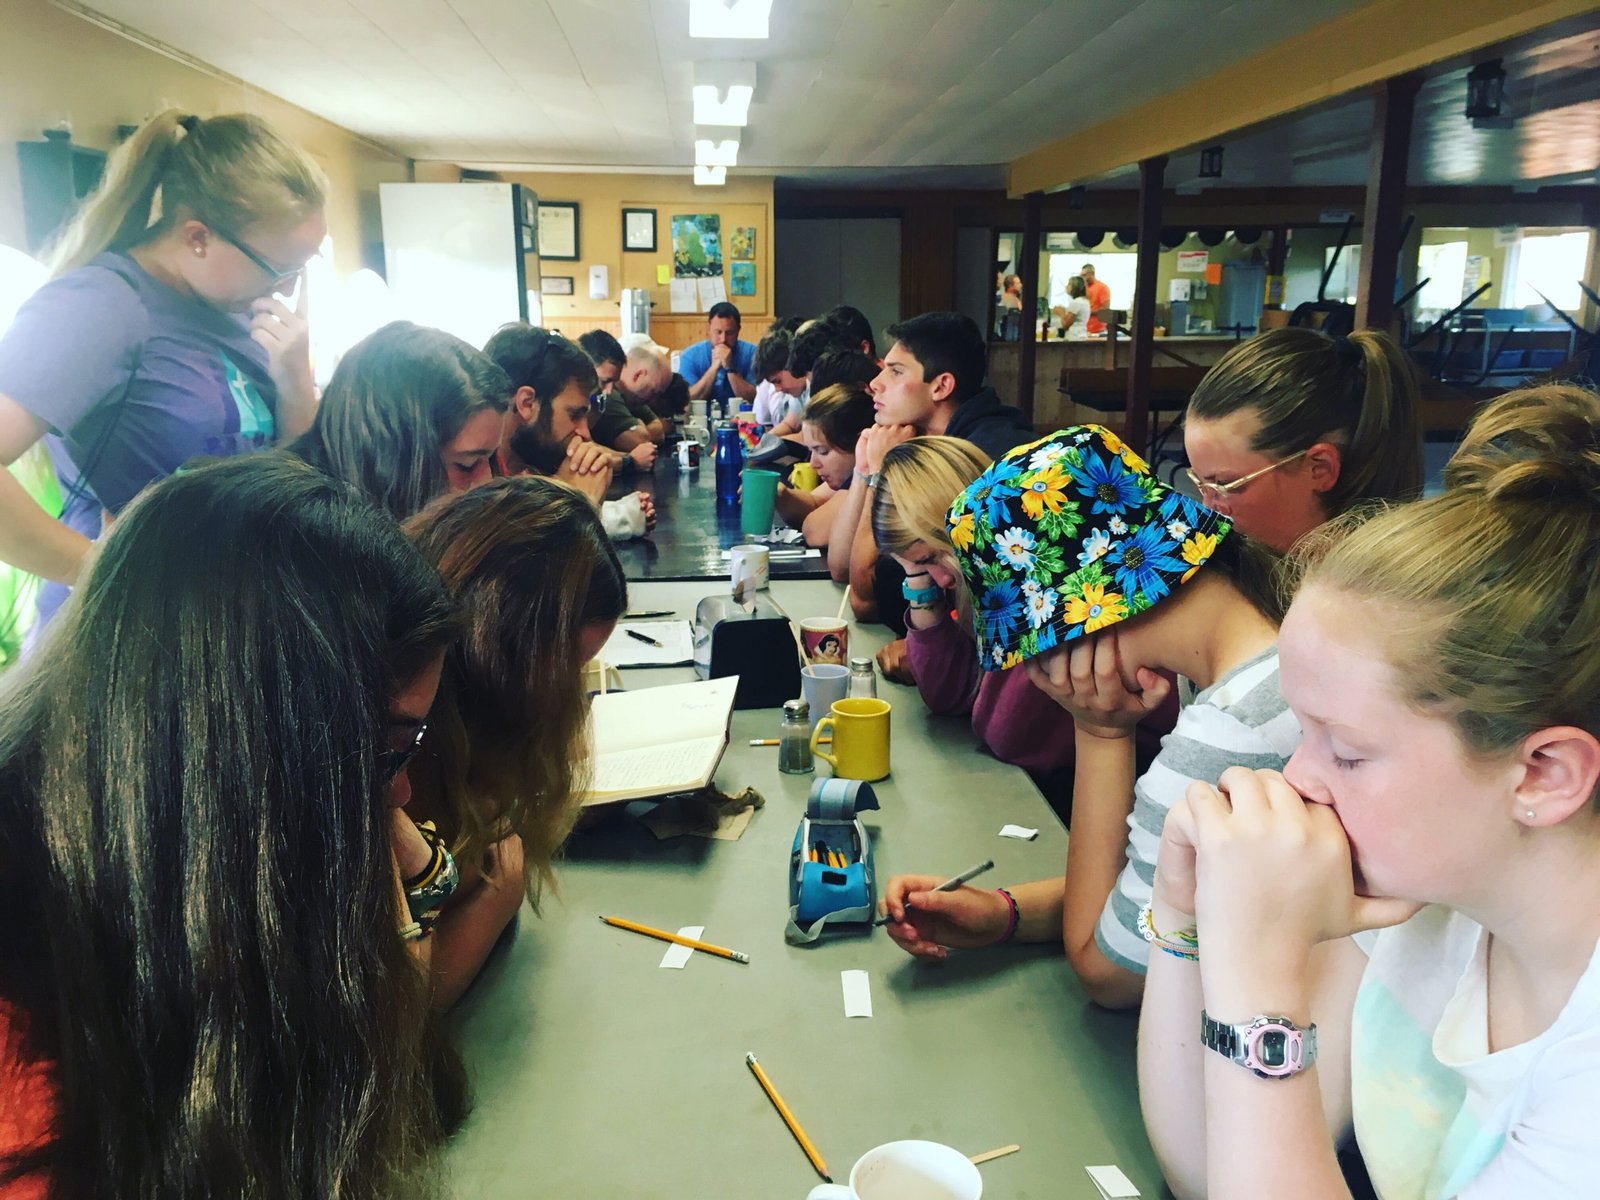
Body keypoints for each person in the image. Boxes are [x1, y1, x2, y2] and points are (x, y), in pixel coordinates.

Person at [1139, 384, 1600, 1200]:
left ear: (1543, 774)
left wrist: (1259, 982)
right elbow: (1208, 1168)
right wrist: (1181, 917)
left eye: (1346, 753)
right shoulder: (1428, 900)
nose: (1296, 778)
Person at [0, 454, 466, 1199]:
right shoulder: (35, 1080)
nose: (403, 789)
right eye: (384, 750)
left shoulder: (173, 876)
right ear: (245, 753)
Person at [879, 426, 1297, 1010]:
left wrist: (1101, 734)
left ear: (1083, 621)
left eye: (1035, 653)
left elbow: (1107, 970)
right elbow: (1164, 896)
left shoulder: (1232, 729)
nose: (1042, 675)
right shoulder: (1253, 655)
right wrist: (1004, 912)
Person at [0, 109, 325, 601]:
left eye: (300, 271)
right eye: (277, 269)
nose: (285, 289)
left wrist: (296, 386)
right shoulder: (99, 306)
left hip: (225, 609)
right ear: (198, 237)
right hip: (127, 627)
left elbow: (292, 480)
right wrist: (102, 570)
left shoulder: (233, 307)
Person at [403, 476, 627, 1008]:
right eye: (566, 671)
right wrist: (497, 897)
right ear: (503, 656)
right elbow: (403, 1001)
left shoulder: (462, 724)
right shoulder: (403, 753)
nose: (568, 698)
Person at [869, 435, 1172, 818]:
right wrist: (917, 579)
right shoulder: (977, 582)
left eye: (932, 557)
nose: (941, 581)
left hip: (1146, 796)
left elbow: (1007, 730)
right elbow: (947, 694)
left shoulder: (1060, 590)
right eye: (916, 565)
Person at [836, 311, 1034, 679]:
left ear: (941, 386)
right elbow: (840, 569)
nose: (875, 383)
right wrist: (866, 470)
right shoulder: (927, 440)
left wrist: (879, 473)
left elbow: (863, 596)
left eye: (895, 372)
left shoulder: (982, 463)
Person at [1183, 327, 1423, 553]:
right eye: (1199, 482)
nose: (1208, 508)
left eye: (1224, 485)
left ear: (1320, 468)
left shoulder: (1373, 581)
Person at [288, 320, 510, 521]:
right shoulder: (302, 534)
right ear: (388, 455)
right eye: (466, 466)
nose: (487, 482)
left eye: (490, 460)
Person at [480, 324, 654, 540]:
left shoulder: (523, 468)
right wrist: (582, 504)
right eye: (574, 415)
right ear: (527, 403)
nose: (585, 433)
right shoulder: (473, 481)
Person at [772, 382, 875, 552]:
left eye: (822, 451)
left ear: (860, 444)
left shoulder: (869, 474)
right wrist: (780, 494)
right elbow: (815, 504)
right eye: (811, 450)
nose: (813, 463)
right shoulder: (846, 475)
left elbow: (814, 531)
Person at [576, 331, 661, 469]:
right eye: (605, 381)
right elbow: (579, 459)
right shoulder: (562, 401)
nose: (609, 391)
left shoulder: (596, 400)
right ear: (583, 368)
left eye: (613, 383)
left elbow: (590, 446)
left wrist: (629, 459)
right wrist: (630, 462)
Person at [678, 301, 756, 413]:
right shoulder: (690, 356)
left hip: (742, 420)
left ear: (738, 331)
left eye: (729, 333)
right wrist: (713, 368)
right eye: (718, 332)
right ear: (709, 328)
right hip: (701, 420)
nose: (723, 339)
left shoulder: (752, 353)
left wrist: (729, 368)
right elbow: (687, 401)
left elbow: (754, 399)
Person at [753, 320, 808, 433]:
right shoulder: (799, 392)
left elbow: (807, 437)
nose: (778, 389)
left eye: (777, 381)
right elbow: (789, 425)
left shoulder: (816, 385)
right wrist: (765, 440)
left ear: (790, 364)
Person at [1055, 275, 1092, 341]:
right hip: (1081, 335)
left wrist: (1061, 313)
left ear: (1074, 287)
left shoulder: (1076, 302)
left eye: (1069, 284)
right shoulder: (1084, 301)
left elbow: (1065, 325)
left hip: (1074, 337)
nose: (1066, 286)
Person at [1081, 264, 1110, 335]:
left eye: (1084, 275)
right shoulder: (1083, 288)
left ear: (1092, 274)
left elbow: (1105, 309)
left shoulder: (1102, 287)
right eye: (1081, 276)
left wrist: (1087, 312)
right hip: (1083, 328)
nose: (1083, 278)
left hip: (1097, 329)